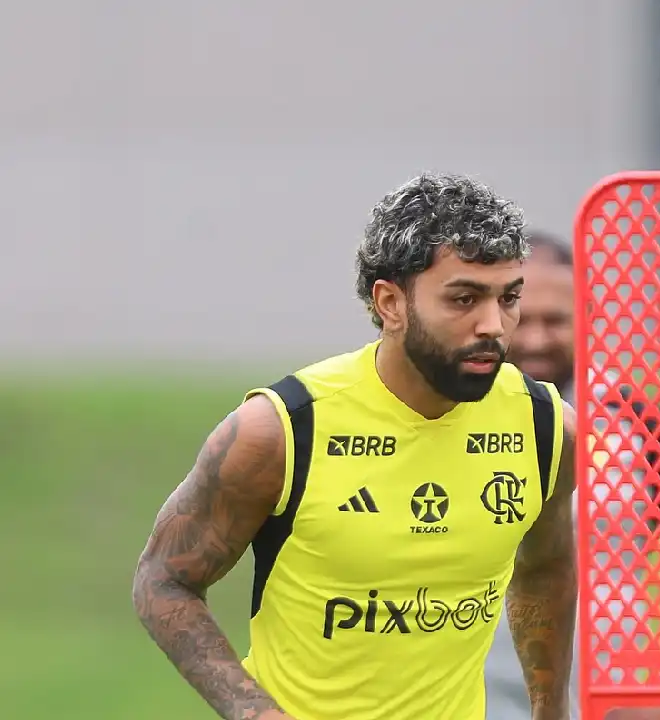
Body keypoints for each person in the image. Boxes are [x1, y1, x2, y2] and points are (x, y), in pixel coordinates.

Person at [130, 172, 578, 720]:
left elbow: (546, 567)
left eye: (508, 298)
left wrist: (550, 711)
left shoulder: (545, 425)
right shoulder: (282, 430)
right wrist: (257, 714)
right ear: (390, 302)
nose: (495, 325)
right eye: (464, 299)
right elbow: (164, 580)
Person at [486, 230, 660, 720]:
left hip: (610, 691)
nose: (537, 339)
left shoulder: (643, 424)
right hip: (483, 692)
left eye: (555, 320)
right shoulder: (444, 416)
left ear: (590, 319)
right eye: (522, 319)